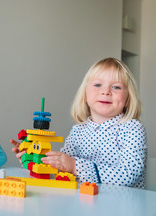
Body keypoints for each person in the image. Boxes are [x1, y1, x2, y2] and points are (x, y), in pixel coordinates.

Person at [10, 57, 147, 188]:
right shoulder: (78, 130)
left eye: (116, 87)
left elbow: (129, 174)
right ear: (85, 96)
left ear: (128, 98)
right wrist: (33, 158)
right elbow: (62, 168)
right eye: (98, 85)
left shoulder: (132, 128)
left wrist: (75, 166)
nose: (106, 91)